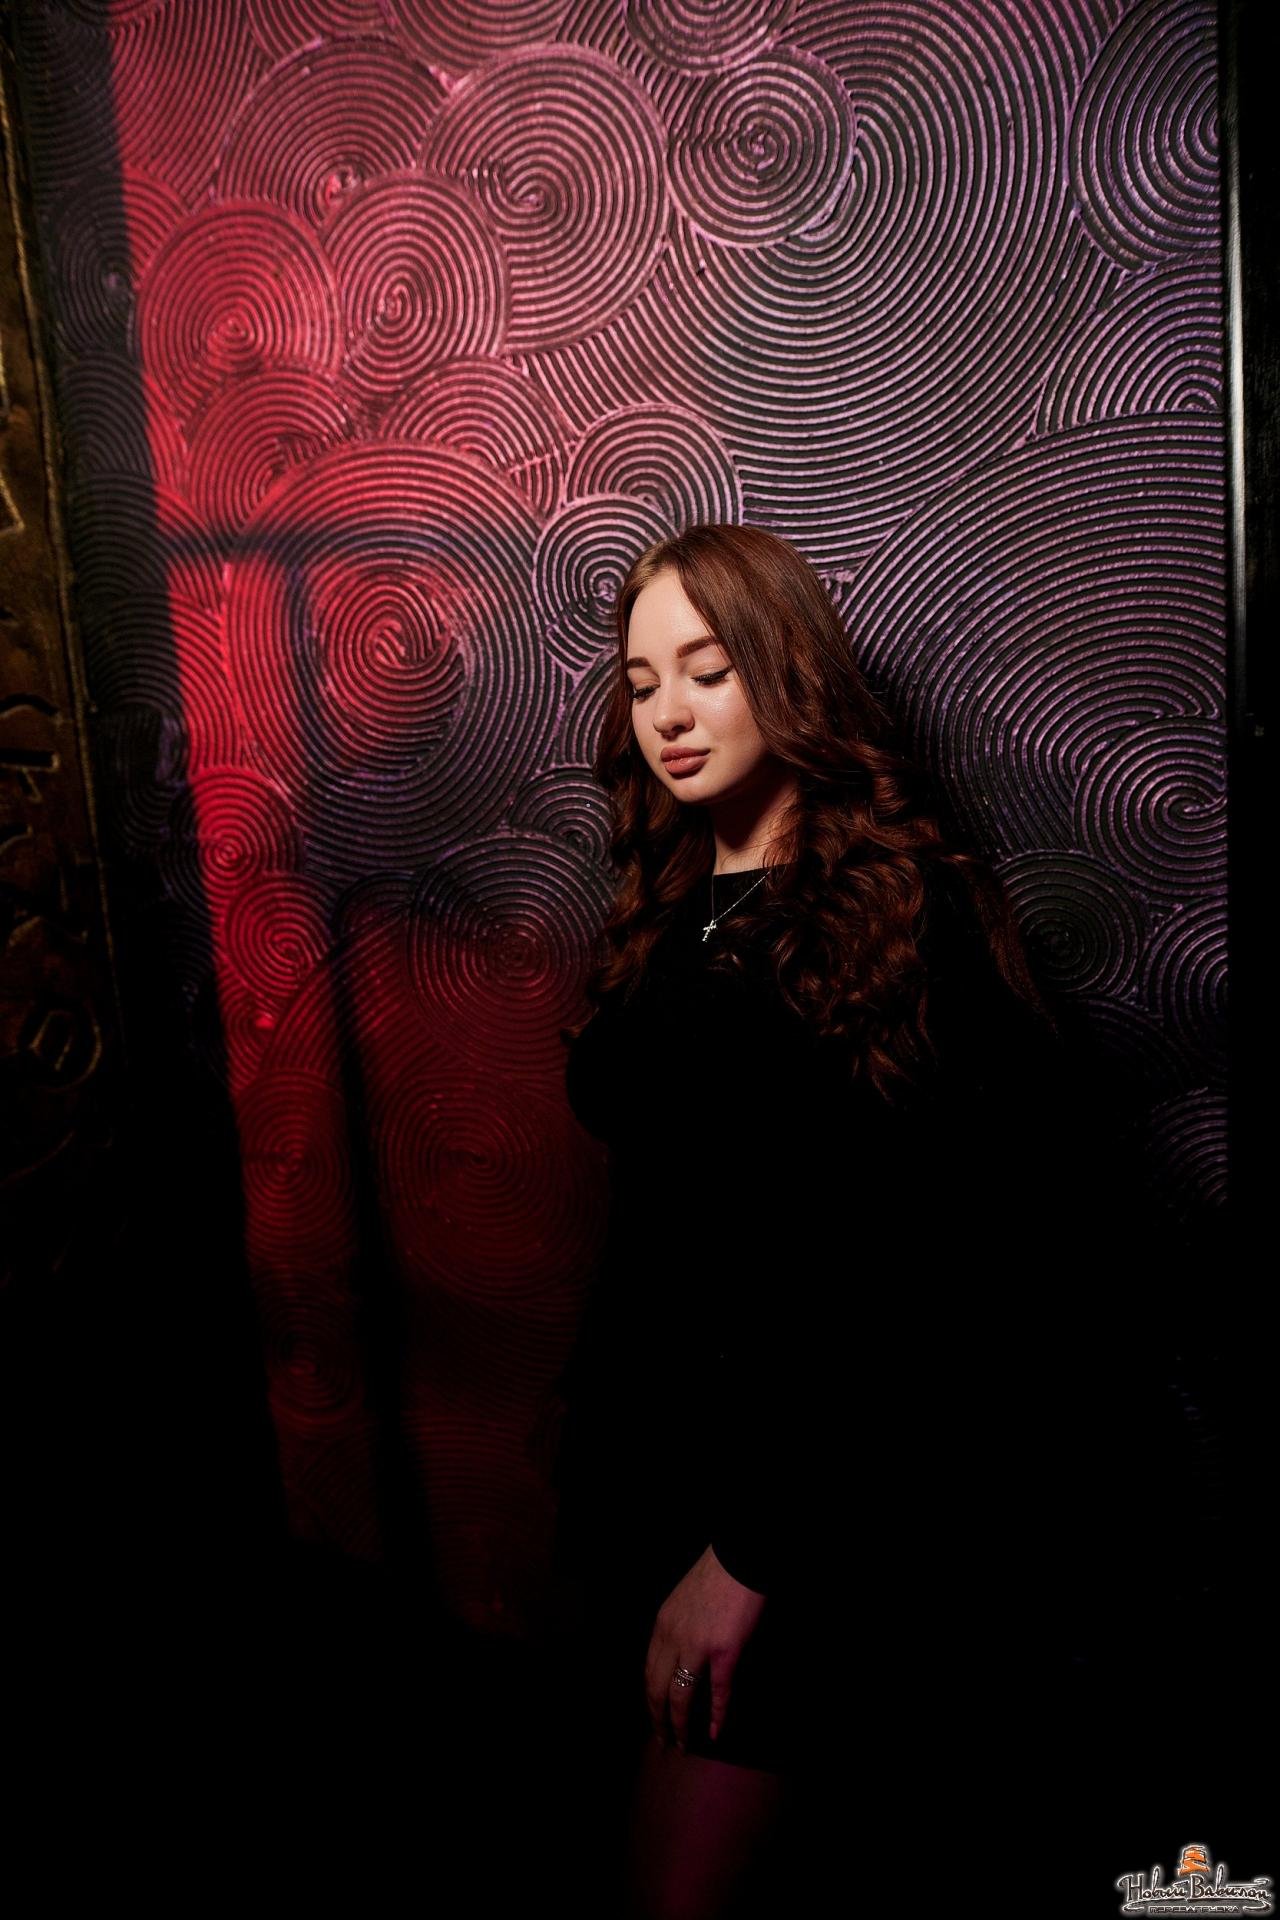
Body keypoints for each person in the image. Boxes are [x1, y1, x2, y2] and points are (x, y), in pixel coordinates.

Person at [545, 523, 1164, 1916]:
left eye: (708, 670)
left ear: (786, 673)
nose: (669, 712)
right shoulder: (672, 909)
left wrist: (752, 1556)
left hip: (814, 1526)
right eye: (642, 683)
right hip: (663, 1486)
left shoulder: (908, 915)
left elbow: (942, 1281)